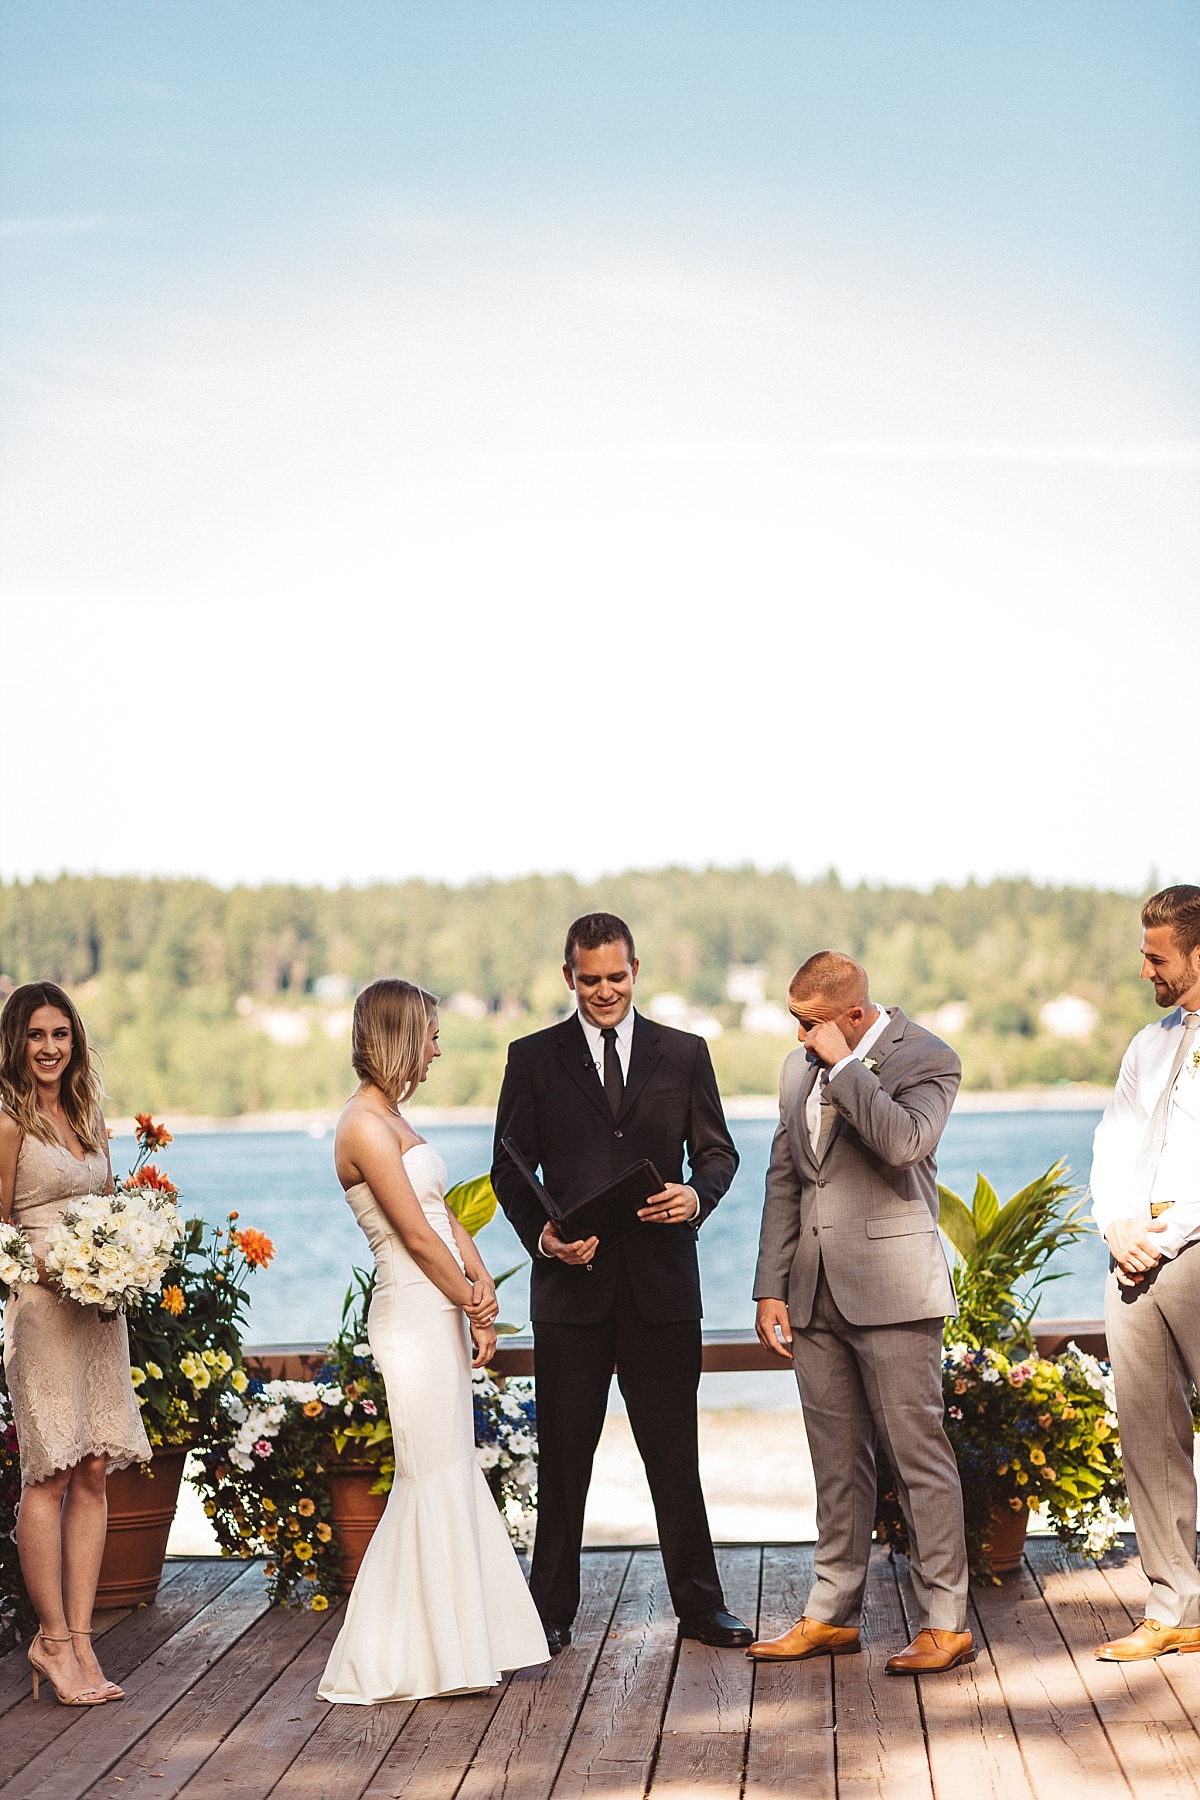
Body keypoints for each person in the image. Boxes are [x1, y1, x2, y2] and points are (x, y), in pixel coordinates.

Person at [491, 911, 750, 1654]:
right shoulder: (532, 1057)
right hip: (570, 1294)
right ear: (567, 976)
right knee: (564, 1459)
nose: (604, 992)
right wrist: (542, 1238)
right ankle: (548, 1614)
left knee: (674, 1454)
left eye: (617, 977)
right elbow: (510, 1166)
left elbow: (719, 1153)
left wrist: (696, 1195)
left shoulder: (686, 1053)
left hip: (663, 1289)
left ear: (636, 971)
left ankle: (702, 1608)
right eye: (590, 979)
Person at [318, 978, 547, 1703]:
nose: (438, 1047)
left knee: (453, 1465)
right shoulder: (360, 1123)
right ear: (398, 1035)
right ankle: (394, 1654)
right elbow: (412, 1235)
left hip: (439, 1310)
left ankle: (464, 1646)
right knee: (428, 1473)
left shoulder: (393, 1117)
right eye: (431, 1033)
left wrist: (480, 1289)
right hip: (410, 1319)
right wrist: (468, 1298)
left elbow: (444, 1217)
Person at [749, 951, 972, 1675]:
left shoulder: (929, 1058)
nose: (800, 1037)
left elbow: (905, 1143)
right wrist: (770, 1285)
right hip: (813, 1293)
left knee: (918, 1458)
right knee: (835, 1464)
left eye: (810, 1024)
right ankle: (831, 1613)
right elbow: (786, 1176)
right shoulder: (794, 1069)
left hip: (896, 1292)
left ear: (852, 1013)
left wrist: (845, 1068)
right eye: (795, 1022)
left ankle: (945, 1622)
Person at [0, 980, 149, 1706]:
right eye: (37, 1035)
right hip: (43, 1314)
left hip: (100, 1313)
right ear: (16, 1042)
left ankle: (83, 1640)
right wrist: (51, 1266)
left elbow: (110, 1208)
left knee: (93, 1470)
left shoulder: (87, 1115)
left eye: (61, 1034)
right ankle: (51, 1640)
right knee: (49, 1473)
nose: (51, 1048)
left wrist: (122, 1258)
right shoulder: (6, 1122)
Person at [1089, 885, 1200, 1662]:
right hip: (1135, 1254)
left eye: (1156, 956)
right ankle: (1177, 1604)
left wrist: (1165, 1235)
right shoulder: (1148, 1043)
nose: (1143, 968)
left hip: (1191, 1243)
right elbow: (1113, 1139)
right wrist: (1117, 1223)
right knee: (1149, 1435)